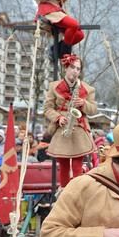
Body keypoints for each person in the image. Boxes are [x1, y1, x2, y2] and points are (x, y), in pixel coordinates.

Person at [44, 54, 97, 187]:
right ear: (66, 68)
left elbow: (93, 110)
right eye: (73, 67)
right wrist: (58, 117)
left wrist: (83, 103)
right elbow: (47, 108)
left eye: (78, 69)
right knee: (63, 165)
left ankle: (76, 192)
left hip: (79, 127)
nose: (75, 71)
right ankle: (64, 192)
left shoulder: (88, 89)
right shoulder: (53, 86)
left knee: (78, 165)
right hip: (63, 127)